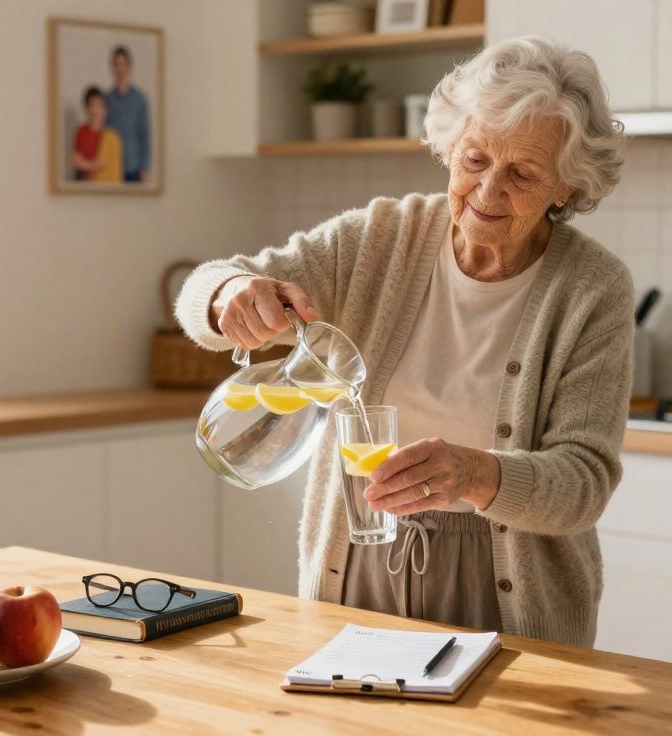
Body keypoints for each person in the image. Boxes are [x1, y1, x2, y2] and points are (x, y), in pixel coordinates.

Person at [175, 37, 631, 647]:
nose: (489, 192)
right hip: (359, 557)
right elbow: (203, 288)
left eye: (522, 173)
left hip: (510, 591)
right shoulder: (382, 237)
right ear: (448, 149)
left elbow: (582, 483)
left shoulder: (592, 287)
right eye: (474, 160)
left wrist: (472, 472)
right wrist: (228, 293)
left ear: (566, 188)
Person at [106, 45, 152, 184]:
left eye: (123, 65)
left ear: (129, 67)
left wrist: (144, 167)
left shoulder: (139, 99)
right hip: (112, 166)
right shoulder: (107, 98)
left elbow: (144, 135)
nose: (120, 69)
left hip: (133, 166)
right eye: (116, 65)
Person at [71, 86, 122, 183]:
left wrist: (87, 165)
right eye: (91, 105)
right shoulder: (80, 132)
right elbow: (76, 161)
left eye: (98, 105)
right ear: (86, 108)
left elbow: (104, 163)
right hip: (84, 184)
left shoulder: (112, 136)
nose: (94, 110)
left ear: (105, 109)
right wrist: (94, 165)